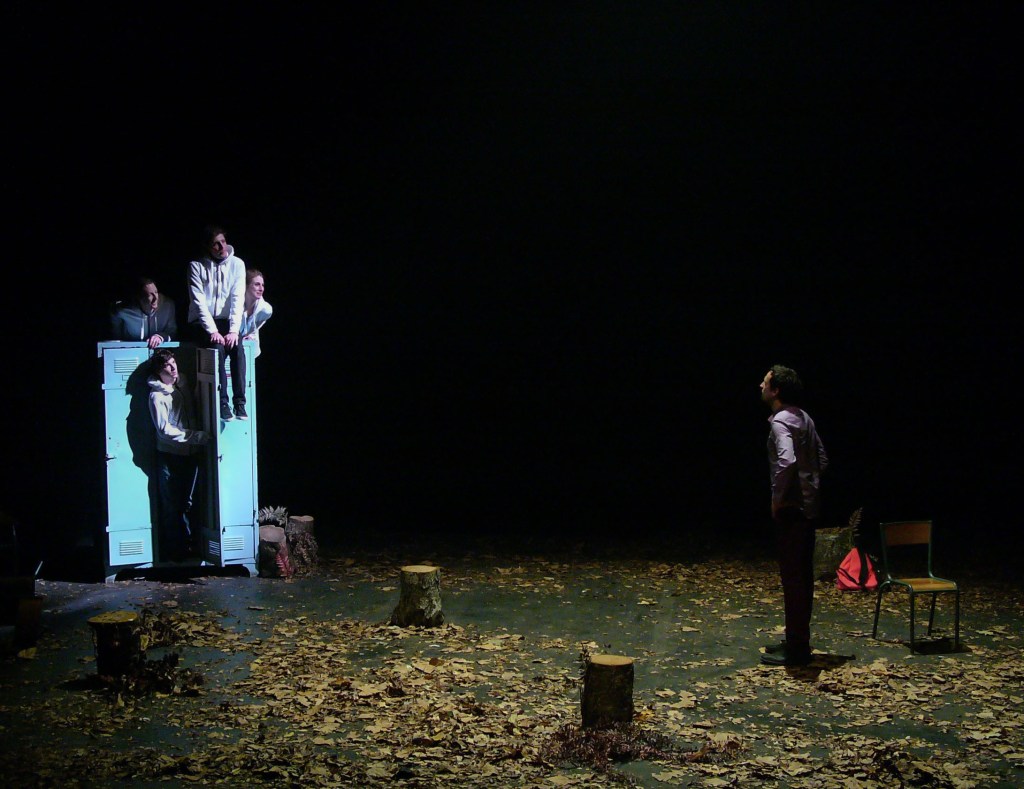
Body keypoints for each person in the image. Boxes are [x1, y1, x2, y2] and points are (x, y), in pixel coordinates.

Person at [759, 364, 829, 666]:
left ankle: (798, 648)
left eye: (765, 382)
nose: (760, 386)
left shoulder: (780, 423)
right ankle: (796, 639)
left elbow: (786, 461)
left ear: (776, 391)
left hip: (792, 510)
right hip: (808, 508)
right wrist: (810, 486)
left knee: (794, 579)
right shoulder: (805, 418)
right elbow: (822, 459)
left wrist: (778, 499)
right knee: (802, 577)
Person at [148, 349, 209, 562]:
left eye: (174, 363)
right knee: (171, 505)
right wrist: (195, 437)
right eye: (168, 366)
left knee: (188, 502)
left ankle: (190, 547)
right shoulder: (157, 396)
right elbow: (164, 430)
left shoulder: (181, 383)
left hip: (190, 453)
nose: (174, 368)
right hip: (170, 455)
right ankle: (175, 551)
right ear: (159, 371)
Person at [187, 225, 248, 421]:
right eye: (216, 244)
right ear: (208, 247)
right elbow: (199, 302)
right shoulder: (196, 266)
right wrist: (212, 330)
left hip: (226, 321)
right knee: (217, 348)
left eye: (223, 241)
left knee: (237, 347)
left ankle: (240, 402)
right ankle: (222, 402)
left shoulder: (237, 264)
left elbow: (237, 299)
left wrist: (234, 330)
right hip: (202, 322)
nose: (222, 247)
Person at [109, 277, 177, 348]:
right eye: (149, 295)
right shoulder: (122, 310)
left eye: (156, 292)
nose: (155, 298)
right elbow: (115, 337)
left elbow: (172, 331)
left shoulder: (167, 305)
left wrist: (160, 336)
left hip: (159, 350)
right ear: (139, 297)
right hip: (131, 350)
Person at [241, 269, 273, 358]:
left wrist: (249, 336)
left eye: (262, 285)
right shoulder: (235, 304)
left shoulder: (265, 310)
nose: (261, 288)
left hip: (250, 347)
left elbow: (254, 328)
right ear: (246, 285)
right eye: (257, 284)